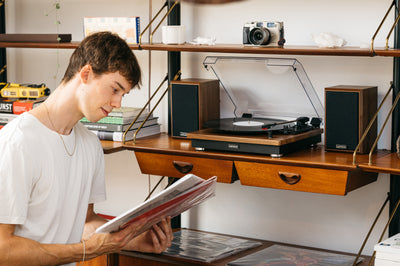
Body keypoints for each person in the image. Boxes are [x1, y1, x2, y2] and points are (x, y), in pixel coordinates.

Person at [0, 31, 173, 265]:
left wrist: (133, 240)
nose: (118, 103)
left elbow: (85, 222)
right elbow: (3, 249)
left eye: (123, 94)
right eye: (115, 89)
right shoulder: (18, 142)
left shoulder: (90, 145)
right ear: (86, 74)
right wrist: (83, 252)